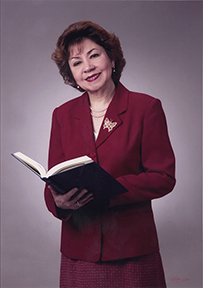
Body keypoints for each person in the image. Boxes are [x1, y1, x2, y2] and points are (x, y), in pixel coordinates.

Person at [44, 20, 176, 288]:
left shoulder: (146, 107)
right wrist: (59, 202)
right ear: (71, 73)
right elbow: (53, 178)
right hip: (79, 250)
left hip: (132, 250)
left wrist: (109, 189)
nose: (88, 67)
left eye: (94, 55)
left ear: (112, 58)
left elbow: (163, 176)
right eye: (77, 62)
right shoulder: (62, 115)